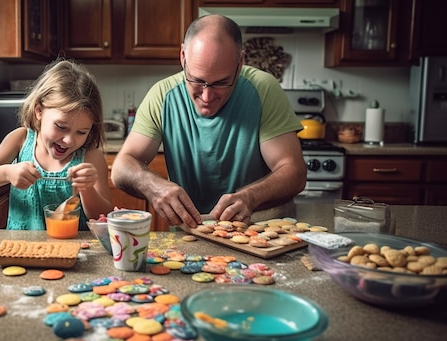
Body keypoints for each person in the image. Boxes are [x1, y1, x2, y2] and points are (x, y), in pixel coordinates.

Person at [111, 14, 307, 228]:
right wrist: (153, 185)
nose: (206, 96)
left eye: (221, 82)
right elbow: (121, 167)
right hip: (192, 235)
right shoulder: (162, 95)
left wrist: (250, 197)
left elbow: (294, 171)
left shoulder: (263, 89)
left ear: (240, 62)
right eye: (196, 80)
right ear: (183, 56)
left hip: (260, 232)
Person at [0, 59, 112, 230]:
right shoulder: (20, 140)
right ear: (39, 111)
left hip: (76, 251)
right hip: (22, 249)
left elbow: (102, 217)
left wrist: (87, 189)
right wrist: (7, 172)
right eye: (61, 126)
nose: (69, 140)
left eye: (81, 132)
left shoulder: (91, 157)